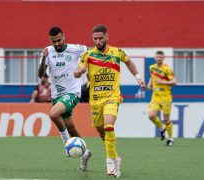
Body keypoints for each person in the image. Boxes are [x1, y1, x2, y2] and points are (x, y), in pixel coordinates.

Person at [74, 24, 146, 178]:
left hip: (112, 97)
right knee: (102, 134)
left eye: (101, 38)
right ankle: (115, 156)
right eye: (95, 38)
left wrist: (139, 78)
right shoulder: (87, 55)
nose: (98, 41)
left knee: (108, 126)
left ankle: (111, 163)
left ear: (107, 37)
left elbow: (129, 62)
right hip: (95, 100)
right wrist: (79, 71)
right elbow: (76, 72)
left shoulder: (117, 52)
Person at [38, 26, 92, 171]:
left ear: (64, 37)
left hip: (72, 92)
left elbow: (92, 52)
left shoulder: (75, 49)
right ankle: (85, 153)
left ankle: (66, 143)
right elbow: (40, 74)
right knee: (70, 126)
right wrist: (43, 58)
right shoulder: (47, 52)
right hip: (57, 95)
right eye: (53, 41)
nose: (57, 43)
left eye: (59, 40)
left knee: (53, 114)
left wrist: (83, 66)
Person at [147, 50, 177, 146]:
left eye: (160, 57)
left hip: (166, 98)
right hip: (155, 97)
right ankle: (162, 127)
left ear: (163, 58)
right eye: (157, 57)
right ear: (155, 58)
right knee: (151, 116)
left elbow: (174, 82)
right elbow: (152, 77)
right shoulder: (152, 67)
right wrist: (150, 83)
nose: (158, 59)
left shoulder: (167, 69)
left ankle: (170, 138)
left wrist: (162, 82)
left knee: (166, 118)